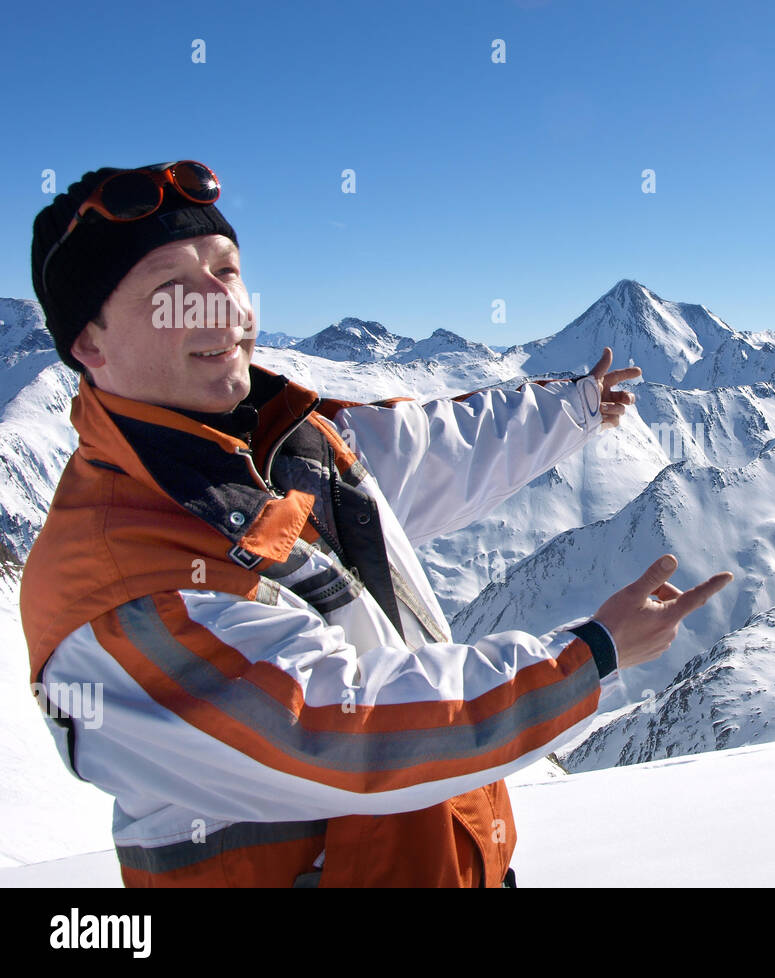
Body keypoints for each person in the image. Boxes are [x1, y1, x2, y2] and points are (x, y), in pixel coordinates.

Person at [22, 160, 733, 887]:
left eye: (227, 273)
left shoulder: (286, 446)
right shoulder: (117, 587)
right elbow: (338, 731)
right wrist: (594, 653)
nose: (222, 308)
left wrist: (573, 406)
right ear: (88, 345)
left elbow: (436, 451)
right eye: (172, 292)